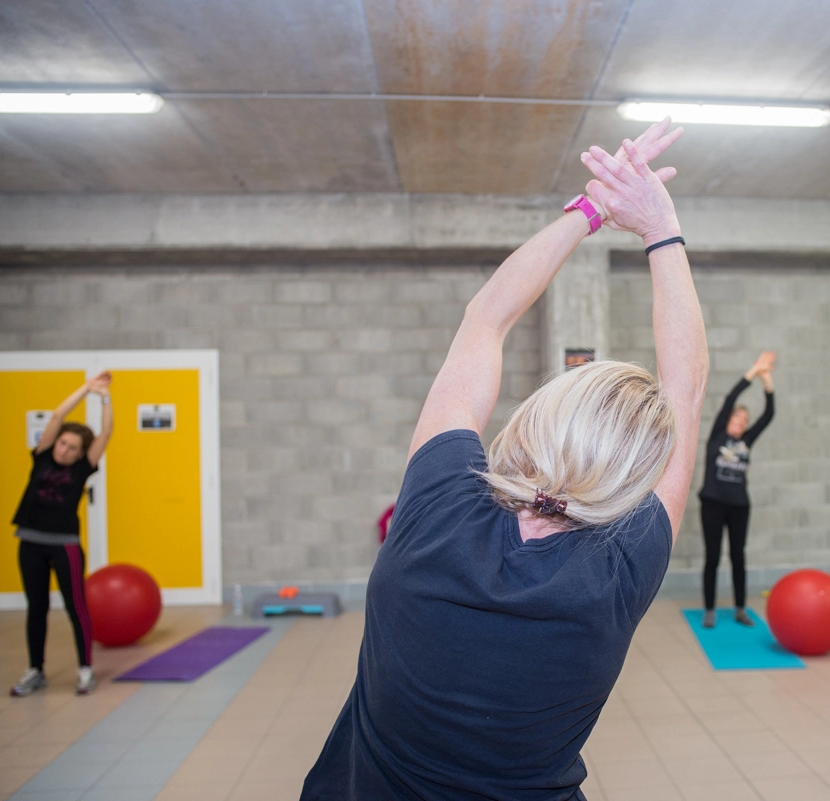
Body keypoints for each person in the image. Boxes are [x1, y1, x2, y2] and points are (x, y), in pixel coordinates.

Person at [301, 119, 707, 800]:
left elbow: (485, 318)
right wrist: (661, 228)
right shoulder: (620, 569)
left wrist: (590, 211)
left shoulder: (436, 507)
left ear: (533, 419)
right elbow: (685, 391)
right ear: (635, 477)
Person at [10, 371, 113, 697]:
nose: (65, 451)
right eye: (63, 443)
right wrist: (86, 388)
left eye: (73, 448)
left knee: (75, 606)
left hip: (64, 545)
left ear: (81, 453)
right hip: (30, 541)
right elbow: (57, 415)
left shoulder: (82, 467)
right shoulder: (42, 456)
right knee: (36, 607)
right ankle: (35, 670)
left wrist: (105, 397)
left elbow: (106, 432)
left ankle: (85, 669)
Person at [699, 352, 775, 628]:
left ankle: (740, 608)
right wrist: (753, 371)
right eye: (738, 418)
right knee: (713, 557)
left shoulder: (747, 441)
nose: (741, 423)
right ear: (729, 419)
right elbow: (730, 398)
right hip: (713, 503)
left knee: (738, 556)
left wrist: (767, 381)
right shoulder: (717, 436)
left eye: (745, 420)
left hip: (739, 506)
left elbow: (769, 415)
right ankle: (710, 609)